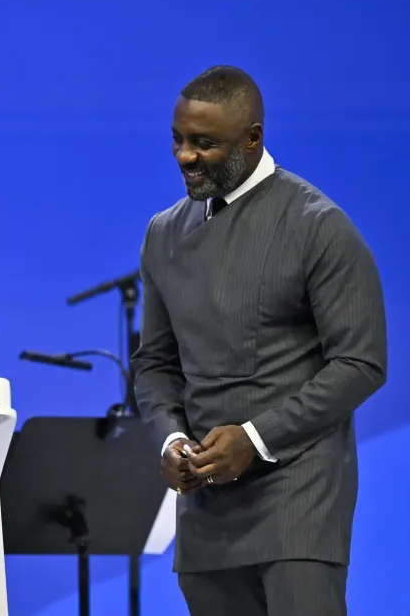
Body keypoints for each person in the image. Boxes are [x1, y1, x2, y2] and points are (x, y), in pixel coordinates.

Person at [131, 65, 387, 616]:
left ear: (253, 137)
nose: (184, 156)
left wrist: (254, 438)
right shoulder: (163, 233)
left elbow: (361, 362)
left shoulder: (319, 225)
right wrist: (170, 441)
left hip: (299, 502)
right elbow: (154, 363)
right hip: (205, 510)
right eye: (177, 139)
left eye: (204, 143)